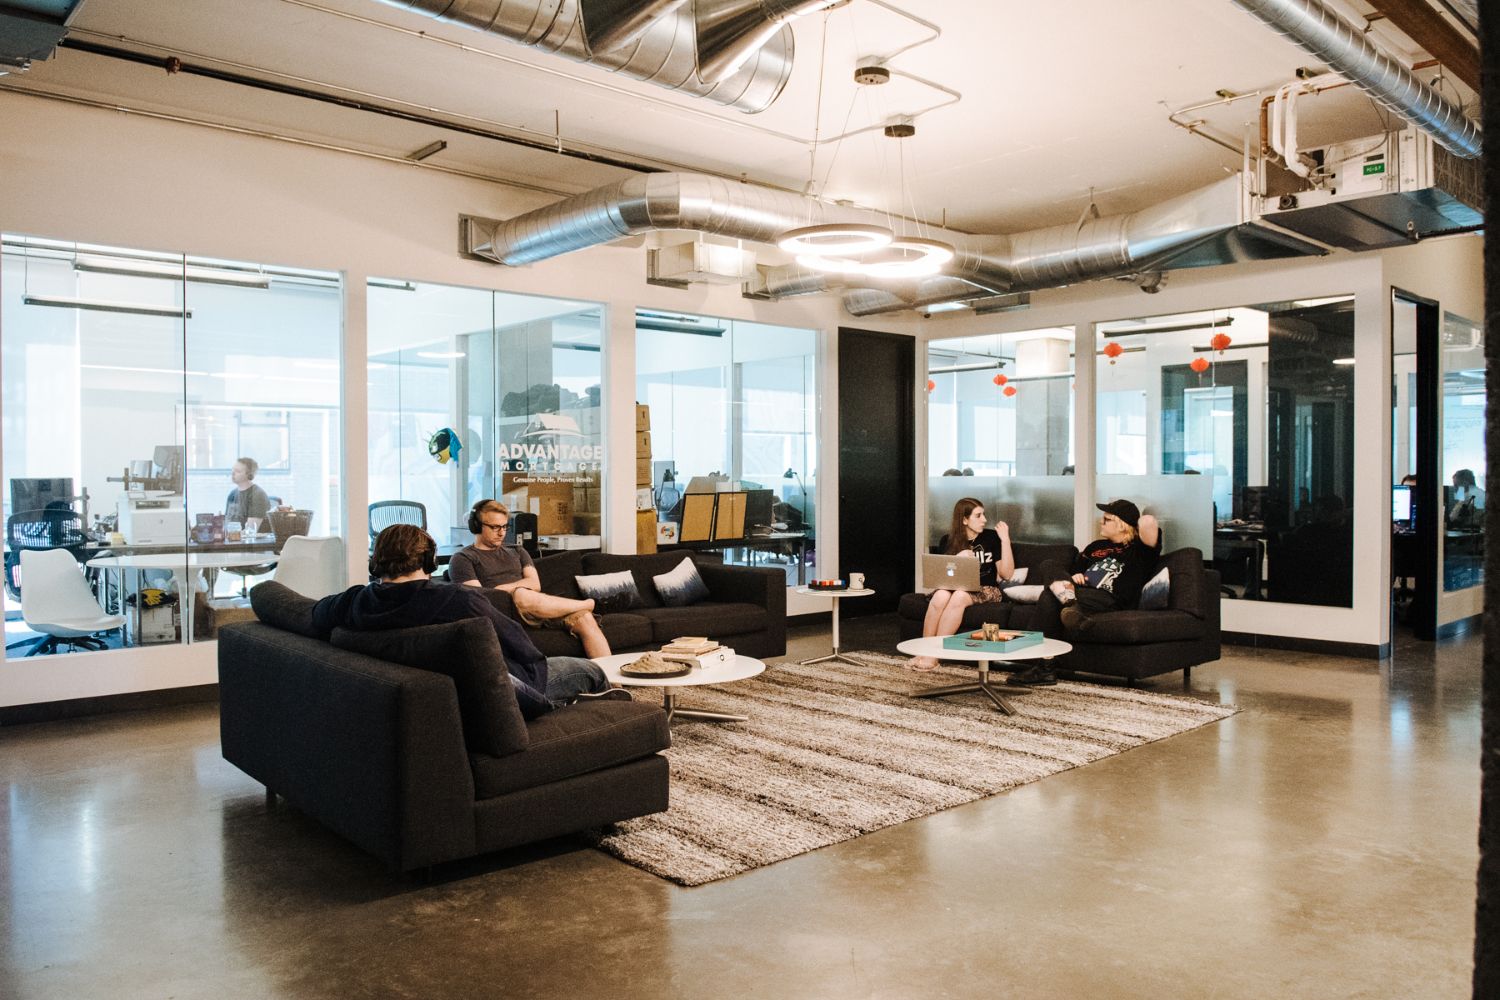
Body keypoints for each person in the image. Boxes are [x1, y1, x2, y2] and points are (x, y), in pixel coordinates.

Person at [312, 523, 620, 718]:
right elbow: (520, 647)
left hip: (431, 699)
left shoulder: (353, 601)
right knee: (590, 671)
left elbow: (311, 614)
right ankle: (608, 723)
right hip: (502, 689)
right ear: (430, 560)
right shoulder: (457, 600)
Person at [1011, 499, 1161, 687]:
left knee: (1050, 596)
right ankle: (1071, 606)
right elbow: (1069, 575)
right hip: (1079, 591)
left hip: (1108, 597)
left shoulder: (1140, 550)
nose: (1101, 521)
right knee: (1049, 565)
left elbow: (1148, 522)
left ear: (1123, 526)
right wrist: (1076, 575)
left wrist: (1133, 519)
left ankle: (1046, 666)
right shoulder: (1095, 547)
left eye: (1107, 519)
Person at [448, 499, 611, 658]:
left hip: (536, 607)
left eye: (505, 526)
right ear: (476, 526)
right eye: (495, 527)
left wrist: (503, 588)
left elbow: (535, 584)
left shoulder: (517, 551)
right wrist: (515, 590)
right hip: (505, 612)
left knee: (585, 618)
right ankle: (587, 603)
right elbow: (479, 597)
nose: (501, 532)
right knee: (522, 594)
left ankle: (610, 683)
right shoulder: (462, 558)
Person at [908, 497, 1015, 672]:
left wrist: (1005, 540)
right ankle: (923, 650)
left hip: (986, 589)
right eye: (978, 515)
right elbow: (940, 575)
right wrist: (958, 559)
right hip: (953, 586)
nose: (985, 520)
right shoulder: (948, 540)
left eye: (984, 514)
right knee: (940, 595)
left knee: (959, 596)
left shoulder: (991, 538)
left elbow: (1007, 574)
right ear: (965, 520)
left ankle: (935, 655)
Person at [224, 457, 271, 534]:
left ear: (249, 475)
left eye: (238, 471)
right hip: (233, 541)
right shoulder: (232, 494)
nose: (233, 473)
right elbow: (226, 524)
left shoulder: (257, 495)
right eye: (233, 469)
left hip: (250, 543)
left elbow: (251, 531)